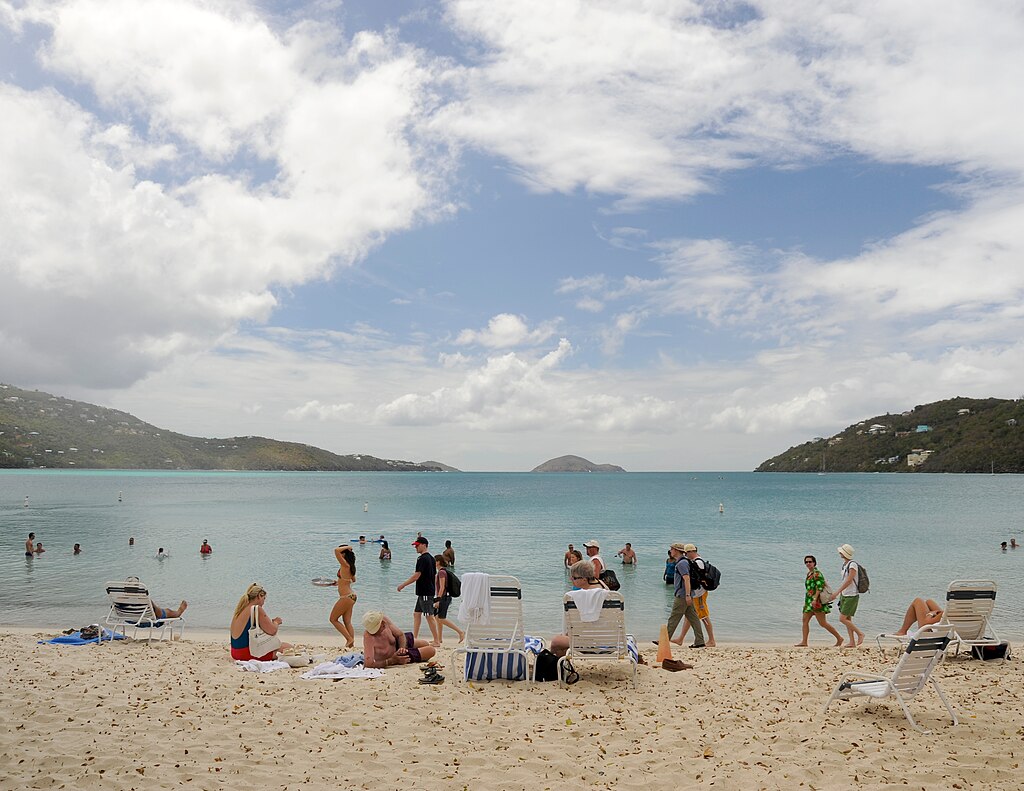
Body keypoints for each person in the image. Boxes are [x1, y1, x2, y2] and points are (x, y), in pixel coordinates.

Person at [550, 560, 607, 656]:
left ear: (584, 579)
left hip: (590, 642)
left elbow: (573, 629)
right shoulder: (604, 589)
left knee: (556, 642)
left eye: (574, 578)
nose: (571, 579)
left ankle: (554, 667)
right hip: (608, 639)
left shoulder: (576, 597)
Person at [397, 537, 441, 646]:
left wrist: (403, 585)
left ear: (424, 545)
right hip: (425, 591)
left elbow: (417, 575)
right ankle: (414, 638)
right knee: (416, 614)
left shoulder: (422, 559)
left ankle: (436, 640)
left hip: (426, 592)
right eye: (415, 545)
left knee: (429, 615)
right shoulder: (431, 558)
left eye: (417, 545)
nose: (415, 547)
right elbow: (434, 576)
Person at [230, 583, 290, 661]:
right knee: (287, 647)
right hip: (245, 654)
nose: (264, 602)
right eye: (264, 598)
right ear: (259, 596)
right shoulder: (256, 609)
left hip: (234, 652)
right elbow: (272, 631)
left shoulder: (240, 609)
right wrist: (276, 622)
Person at [794, 555, 843, 647]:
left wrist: (815, 599)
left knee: (823, 623)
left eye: (810, 562)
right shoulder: (809, 573)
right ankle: (804, 642)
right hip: (809, 601)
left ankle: (839, 638)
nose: (808, 563)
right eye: (806, 562)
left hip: (817, 601)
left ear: (814, 563)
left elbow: (819, 587)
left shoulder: (817, 573)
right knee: (805, 620)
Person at [673, 544, 715, 647]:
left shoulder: (698, 563)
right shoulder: (696, 561)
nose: (686, 556)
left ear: (691, 552)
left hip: (699, 593)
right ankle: (680, 638)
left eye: (686, 553)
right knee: (690, 615)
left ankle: (711, 640)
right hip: (695, 593)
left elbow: (698, 579)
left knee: (704, 615)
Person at [362, 611, 436, 668]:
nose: (384, 624)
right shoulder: (369, 637)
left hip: (398, 643)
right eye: (380, 625)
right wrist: (392, 661)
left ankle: (410, 650)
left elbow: (400, 635)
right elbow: (368, 664)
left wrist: (402, 648)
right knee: (431, 650)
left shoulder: (384, 620)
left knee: (425, 643)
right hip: (393, 657)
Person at [665, 542, 705, 648]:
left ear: (677, 551)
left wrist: (687, 595)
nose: (670, 551)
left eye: (672, 549)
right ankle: (700, 641)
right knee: (693, 618)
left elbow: (686, 579)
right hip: (686, 594)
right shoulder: (684, 561)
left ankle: (665, 640)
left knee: (674, 618)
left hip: (682, 595)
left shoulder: (682, 563)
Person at [825, 544, 865, 648]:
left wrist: (837, 592)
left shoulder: (852, 565)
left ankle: (860, 633)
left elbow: (849, 580)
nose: (839, 553)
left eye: (841, 551)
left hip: (851, 595)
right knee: (848, 619)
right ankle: (852, 642)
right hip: (845, 594)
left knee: (842, 619)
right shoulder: (845, 564)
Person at [329, 544, 357, 647]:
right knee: (347, 622)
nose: (339, 555)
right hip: (352, 596)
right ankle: (351, 644)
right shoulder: (350, 566)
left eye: (342, 554)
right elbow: (353, 580)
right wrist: (339, 582)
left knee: (333, 619)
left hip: (346, 597)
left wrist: (348, 546)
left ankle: (349, 639)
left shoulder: (345, 565)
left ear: (344, 554)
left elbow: (336, 550)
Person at [433, 554, 465, 643]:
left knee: (441, 618)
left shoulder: (441, 572)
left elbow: (442, 587)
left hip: (444, 598)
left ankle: (460, 632)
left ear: (438, 562)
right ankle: (439, 639)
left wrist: (438, 600)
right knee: (437, 617)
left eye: (434, 561)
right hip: (444, 597)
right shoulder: (442, 571)